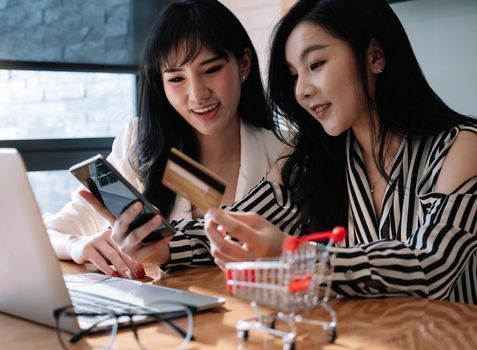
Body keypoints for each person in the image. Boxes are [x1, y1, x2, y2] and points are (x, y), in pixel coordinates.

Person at [199, 0, 477, 304]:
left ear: (375, 55)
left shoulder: (463, 146)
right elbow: (238, 225)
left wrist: (296, 255)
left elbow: (430, 267)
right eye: (294, 75)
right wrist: (163, 241)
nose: (301, 90)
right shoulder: (313, 156)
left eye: (315, 65)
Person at [44, 0, 285, 279]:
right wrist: (78, 245)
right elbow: (51, 231)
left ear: (243, 64)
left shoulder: (285, 153)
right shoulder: (139, 146)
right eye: (176, 78)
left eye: (211, 70)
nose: (197, 94)